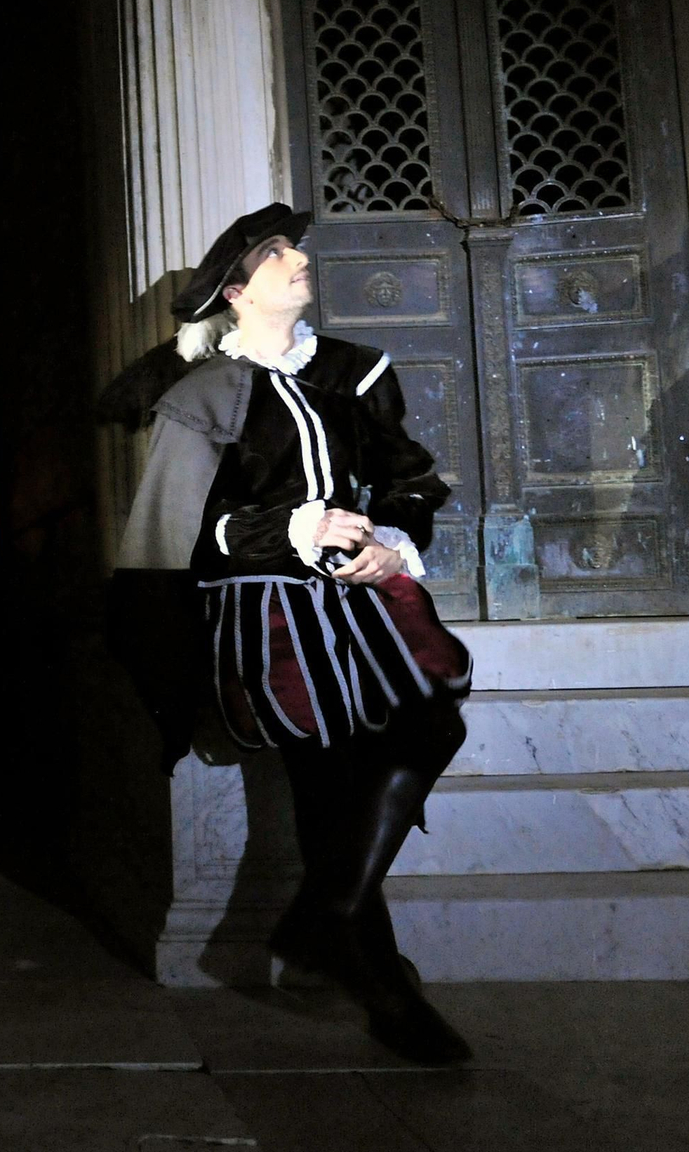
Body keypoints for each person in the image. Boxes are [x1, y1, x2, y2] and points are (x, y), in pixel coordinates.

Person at [100, 202, 473, 1065]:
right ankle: (383, 990)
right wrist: (294, 529)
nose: (299, 259)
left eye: (296, 248)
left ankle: (325, 918)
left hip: (363, 595)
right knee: (327, 780)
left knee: (432, 717)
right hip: (265, 607)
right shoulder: (200, 397)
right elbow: (185, 531)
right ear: (236, 290)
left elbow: (409, 478)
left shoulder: (355, 371)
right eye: (276, 254)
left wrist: (391, 542)